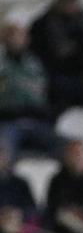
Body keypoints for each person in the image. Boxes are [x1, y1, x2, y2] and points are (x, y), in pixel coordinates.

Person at [0, 22, 64, 160]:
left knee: (66, 147)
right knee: (4, 149)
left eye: (19, 36)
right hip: (8, 122)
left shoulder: (36, 62)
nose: (15, 40)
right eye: (11, 36)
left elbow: (44, 91)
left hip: (37, 121)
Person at [0, 143, 39, 233]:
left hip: (18, 227)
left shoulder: (20, 183)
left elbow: (32, 208)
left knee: (38, 230)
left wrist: (17, 213)